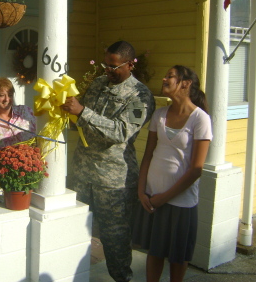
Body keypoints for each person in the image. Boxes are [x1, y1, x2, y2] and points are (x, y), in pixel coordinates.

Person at [62, 40, 156, 282]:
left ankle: (122, 278)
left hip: (112, 180)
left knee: (114, 237)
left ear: (130, 64)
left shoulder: (140, 96)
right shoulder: (97, 84)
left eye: (114, 66)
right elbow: (82, 121)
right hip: (82, 172)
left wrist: (82, 112)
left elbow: (121, 132)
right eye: (106, 64)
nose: (108, 70)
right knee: (73, 228)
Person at [132, 65, 212, 282]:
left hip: (180, 202)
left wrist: (163, 198)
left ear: (185, 84)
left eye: (170, 76)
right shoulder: (159, 114)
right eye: (165, 75)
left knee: (178, 256)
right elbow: (148, 155)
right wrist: (142, 192)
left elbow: (196, 169)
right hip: (152, 196)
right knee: (154, 251)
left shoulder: (200, 119)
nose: (164, 79)